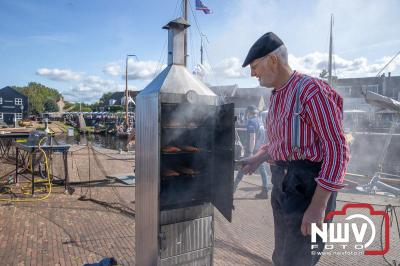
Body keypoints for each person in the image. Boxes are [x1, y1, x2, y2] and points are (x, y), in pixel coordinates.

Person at [240, 32, 349, 266]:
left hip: (308, 186)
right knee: (281, 256)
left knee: (298, 260)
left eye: (255, 66)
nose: (252, 73)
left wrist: (318, 207)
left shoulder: (311, 90)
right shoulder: (277, 96)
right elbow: (281, 143)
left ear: (273, 60)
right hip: (283, 183)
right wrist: (258, 158)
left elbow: (337, 148)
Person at [233, 105, 269, 199]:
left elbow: (252, 138)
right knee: (263, 170)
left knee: (243, 168)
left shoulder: (251, 122)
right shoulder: (260, 121)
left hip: (253, 151)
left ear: (248, 112)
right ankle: (265, 190)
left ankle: (232, 189)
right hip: (260, 150)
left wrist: (250, 153)